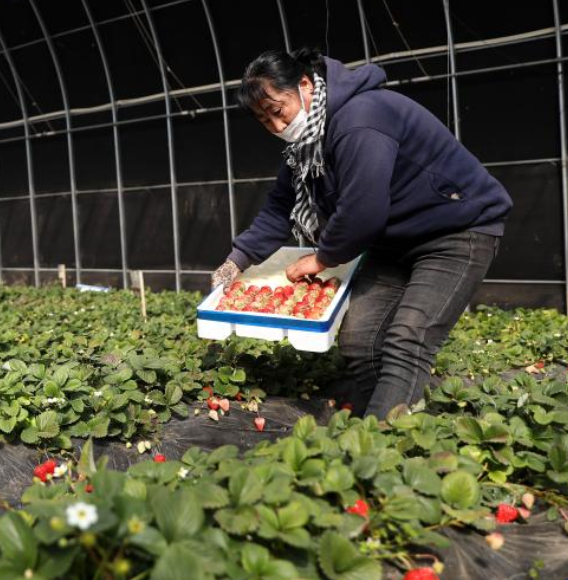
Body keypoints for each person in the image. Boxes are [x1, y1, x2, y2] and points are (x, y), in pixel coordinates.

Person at [212, 49, 512, 419]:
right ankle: (389, 419)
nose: (275, 126)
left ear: (304, 85)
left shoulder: (360, 118)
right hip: (392, 242)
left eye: (278, 110)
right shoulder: (304, 148)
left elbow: (363, 210)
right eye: (264, 120)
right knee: (360, 342)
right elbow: (279, 209)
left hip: (456, 231)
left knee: (408, 339)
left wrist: (320, 258)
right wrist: (235, 261)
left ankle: (384, 449)